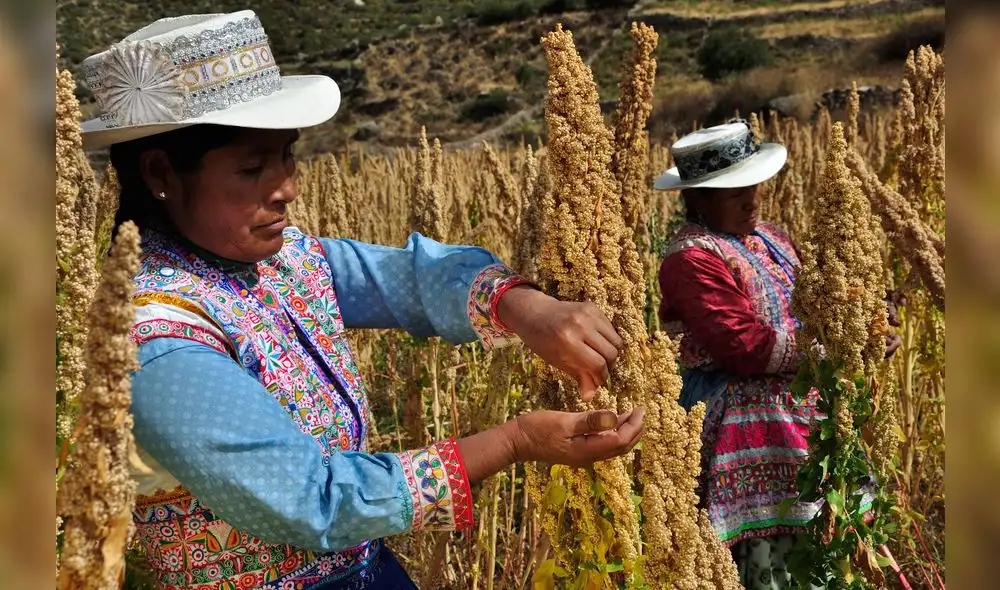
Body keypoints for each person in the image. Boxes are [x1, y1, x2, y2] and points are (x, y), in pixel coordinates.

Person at [79, 11, 645, 590]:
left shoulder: (282, 260)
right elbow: (309, 500)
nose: (287, 188)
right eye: (253, 168)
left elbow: (405, 278)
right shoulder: (153, 337)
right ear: (158, 173)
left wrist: (523, 307)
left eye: (287, 156)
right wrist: (514, 441)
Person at [651, 120, 900, 589]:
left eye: (754, 186)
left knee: (835, 552)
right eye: (734, 192)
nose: (752, 200)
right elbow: (745, 347)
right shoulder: (690, 259)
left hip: (807, 416)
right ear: (698, 199)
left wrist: (869, 322)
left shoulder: (773, 238)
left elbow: (820, 302)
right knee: (774, 566)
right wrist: (841, 349)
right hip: (747, 432)